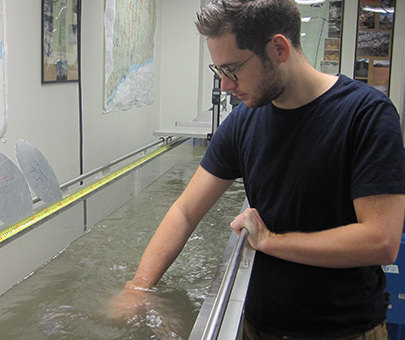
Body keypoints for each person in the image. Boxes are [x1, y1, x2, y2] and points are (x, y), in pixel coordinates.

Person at [110, 1, 405, 339]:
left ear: (278, 48)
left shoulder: (365, 115)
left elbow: (380, 240)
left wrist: (271, 241)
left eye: (232, 69)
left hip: (344, 330)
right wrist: (138, 287)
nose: (224, 85)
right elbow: (185, 211)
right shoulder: (244, 122)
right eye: (218, 70)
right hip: (258, 326)